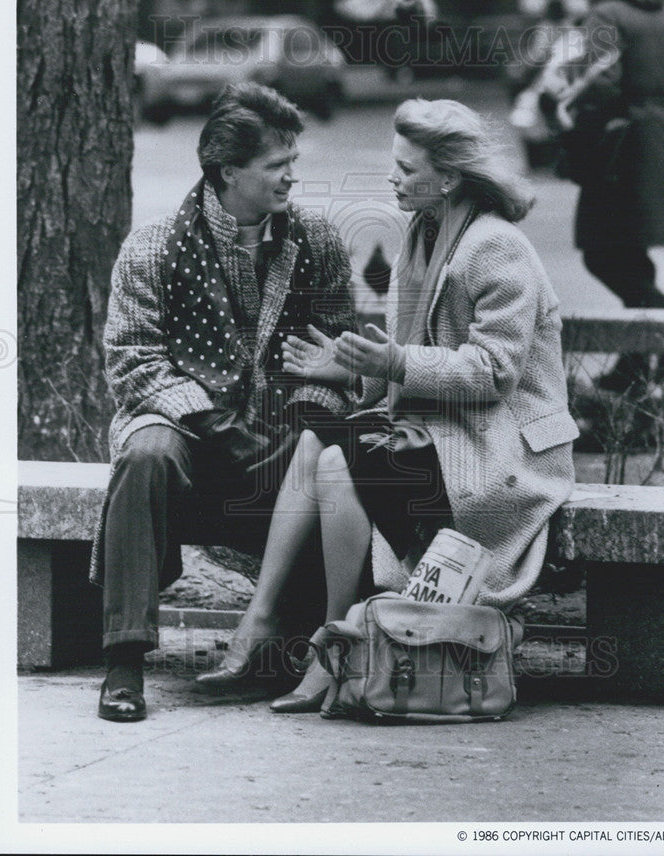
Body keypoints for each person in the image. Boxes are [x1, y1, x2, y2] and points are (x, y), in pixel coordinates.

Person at [196, 97, 579, 712]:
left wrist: (390, 363)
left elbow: (493, 372)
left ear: (448, 179)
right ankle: (304, 631)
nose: (393, 178)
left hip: (501, 452)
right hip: (446, 433)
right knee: (322, 444)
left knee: (332, 455)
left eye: (406, 168)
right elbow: (403, 366)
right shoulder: (423, 236)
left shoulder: (494, 246)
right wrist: (348, 370)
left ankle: (319, 641)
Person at [91, 82, 356, 722]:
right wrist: (213, 420)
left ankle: (293, 646)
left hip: (280, 446)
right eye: (276, 165)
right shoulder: (153, 246)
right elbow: (131, 360)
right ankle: (124, 663)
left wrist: (306, 409)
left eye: (293, 161)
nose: (292, 177)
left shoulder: (315, 242)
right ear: (228, 170)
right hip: (188, 440)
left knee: (330, 456)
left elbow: (338, 358)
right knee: (146, 454)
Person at [562, 0, 664, 391]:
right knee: (629, 252)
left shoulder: (604, 13)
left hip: (617, 146)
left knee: (601, 250)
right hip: (659, 145)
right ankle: (636, 363)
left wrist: (576, 134)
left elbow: (599, 84)